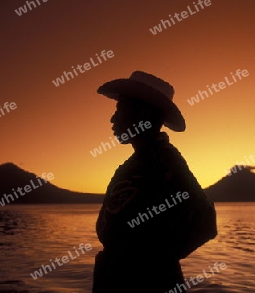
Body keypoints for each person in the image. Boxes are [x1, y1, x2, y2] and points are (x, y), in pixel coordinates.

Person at [92, 71, 217, 293]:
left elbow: (205, 220)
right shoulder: (130, 166)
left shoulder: (166, 161)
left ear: (141, 114)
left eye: (120, 109)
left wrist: (150, 264)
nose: (113, 118)